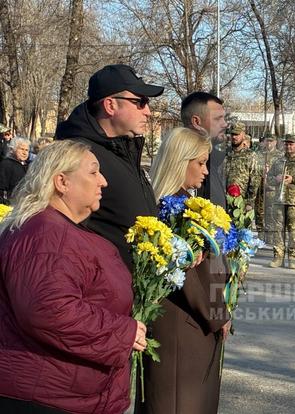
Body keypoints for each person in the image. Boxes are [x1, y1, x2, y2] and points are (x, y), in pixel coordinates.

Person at [0, 140, 146, 414]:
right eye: (93, 172)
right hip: (50, 396)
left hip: (65, 391)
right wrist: (123, 332)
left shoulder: (54, 229)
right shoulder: (47, 235)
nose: (103, 181)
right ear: (62, 182)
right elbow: (50, 310)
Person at [138, 127, 231, 414]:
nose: (205, 171)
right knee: (180, 403)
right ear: (180, 161)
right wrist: (219, 314)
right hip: (186, 324)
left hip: (189, 322)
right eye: (200, 163)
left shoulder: (175, 204)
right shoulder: (174, 211)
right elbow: (187, 276)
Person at [55, 64, 163, 269]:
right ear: (110, 105)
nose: (148, 112)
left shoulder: (125, 150)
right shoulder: (77, 155)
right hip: (103, 283)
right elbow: (63, 230)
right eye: (139, 102)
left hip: (135, 283)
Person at [267, 134, 295, 269]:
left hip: (294, 202)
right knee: (278, 230)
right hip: (279, 201)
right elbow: (269, 178)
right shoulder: (278, 161)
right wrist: (276, 179)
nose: (288, 146)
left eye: (291, 144)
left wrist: (294, 180)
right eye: (287, 144)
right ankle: (278, 257)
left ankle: (292, 258)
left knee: (293, 230)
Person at [180, 91, 228, 207]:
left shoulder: (212, 161)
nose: (225, 124)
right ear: (196, 122)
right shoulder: (184, 166)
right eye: (218, 119)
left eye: (224, 118)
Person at [224, 122, 259, 211]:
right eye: (232, 134)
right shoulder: (226, 154)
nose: (234, 137)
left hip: (242, 202)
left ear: (243, 135)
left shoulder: (250, 155)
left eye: (237, 134)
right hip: (224, 200)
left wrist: (250, 202)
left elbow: (255, 180)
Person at [254, 133, 281, 243]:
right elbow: (253, 168)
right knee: (259, 210)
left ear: (275, 142)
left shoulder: (279, 155)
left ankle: (270, 236)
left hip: (271, 188)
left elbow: (281, 172)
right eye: (267, 141)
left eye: (271, 141)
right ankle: (260, 235)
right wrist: (262, 170)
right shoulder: (258, 154)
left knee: (270, 211)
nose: (269, 143)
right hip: (259, 186)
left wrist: (271, 172)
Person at [0, 137, 30, 204]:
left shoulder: (29, 165)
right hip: (11, 204)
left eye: (27, 150)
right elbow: (2, 188)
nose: (24, 153)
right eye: (22, 149)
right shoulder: (6, 164)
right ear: (12, 149)